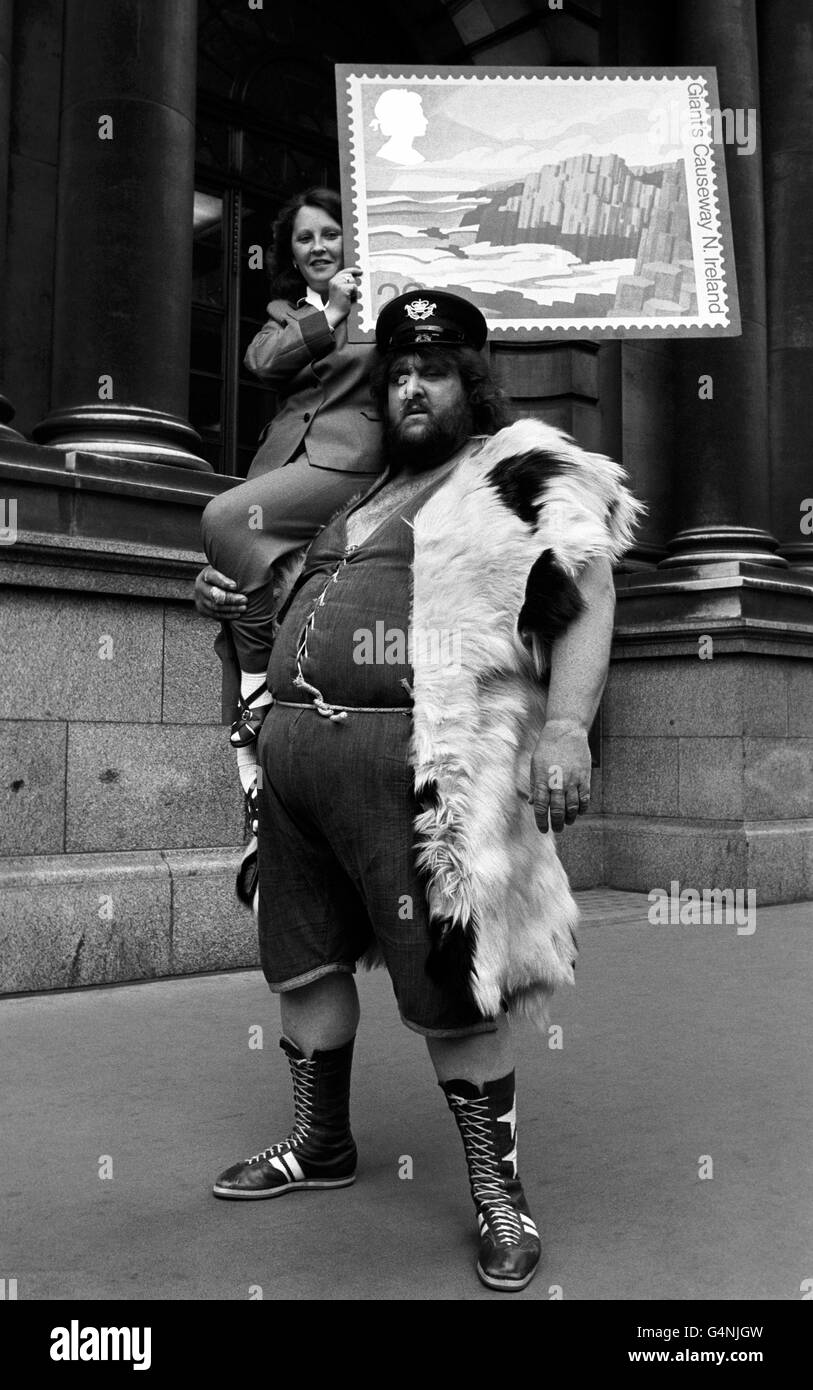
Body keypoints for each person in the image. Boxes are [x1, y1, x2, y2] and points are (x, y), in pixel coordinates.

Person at [211, 291, 642, 1293]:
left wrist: (570, 727)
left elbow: (590, 586)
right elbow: (296, 599)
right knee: (302, 959)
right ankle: (320, 1143)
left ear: (472, 380)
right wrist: (241, 604)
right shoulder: (361, 492)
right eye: (399, 369)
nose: (411, 385)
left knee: (451, 985)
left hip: (419, 774)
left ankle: (499, 1192)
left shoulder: (514, 467)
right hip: (297, 767)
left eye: (434, 369)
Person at [195, 186, 383, 817]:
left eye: (330, 233)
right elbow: (265, 365)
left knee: (222, 516)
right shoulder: (285, 316)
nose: (318, 246)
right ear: (291, 254)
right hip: (282, 470)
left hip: (351, 463)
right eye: (305, 238)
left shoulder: (381, 306)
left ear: (351, 239)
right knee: (236, 584)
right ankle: (253, 777)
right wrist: (325, 315)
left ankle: (254, 694)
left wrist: (348, 310)